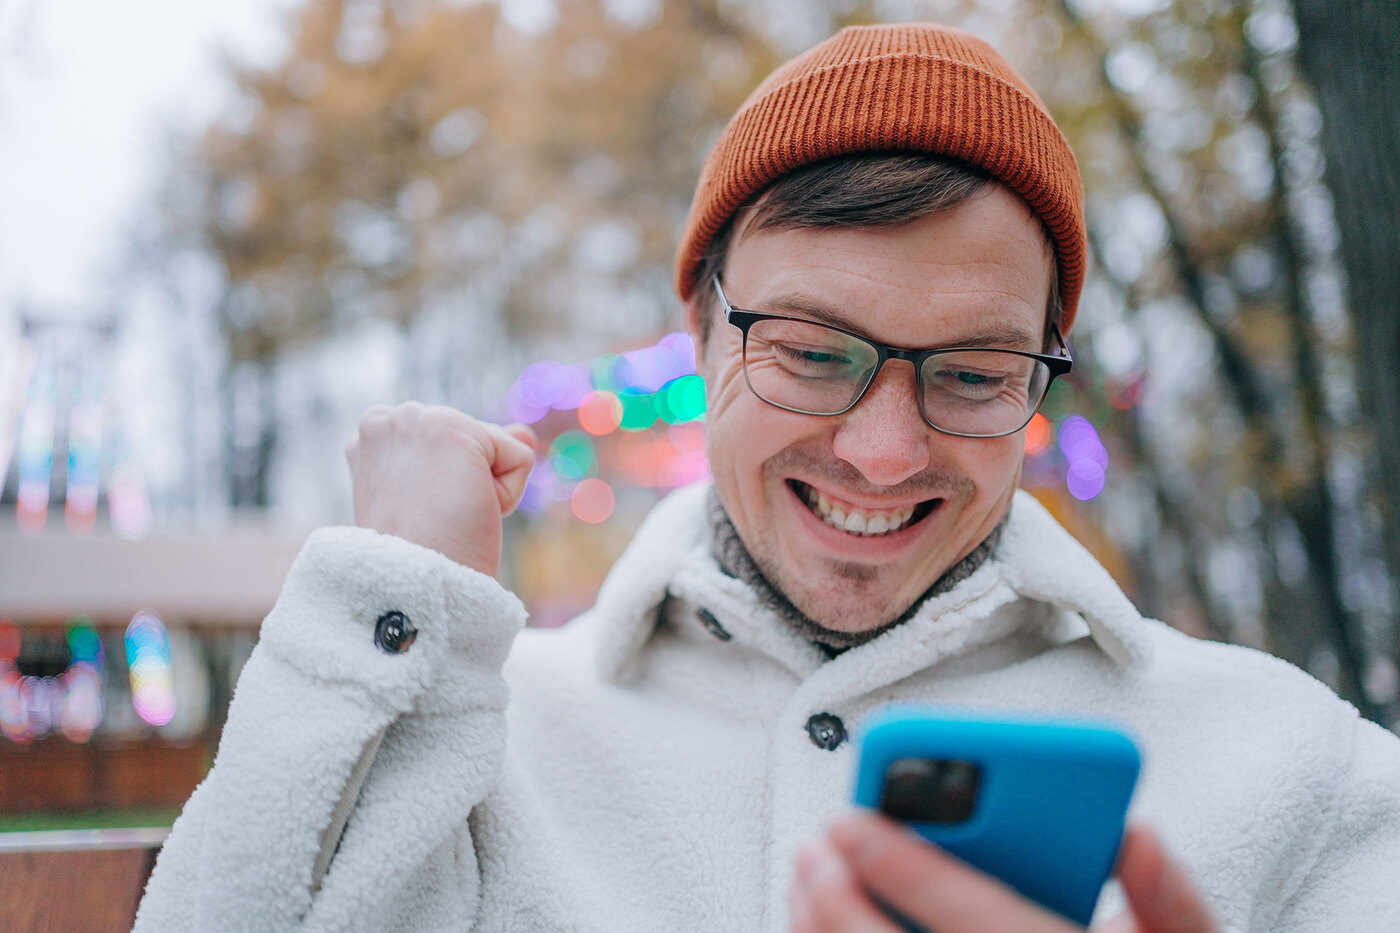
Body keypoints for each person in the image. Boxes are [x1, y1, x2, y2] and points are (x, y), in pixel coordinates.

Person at [135, 22, 1400, 933]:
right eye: (812, 353)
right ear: (700, 330)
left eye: (969, 375)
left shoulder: (1292, 771)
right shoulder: (472, 732)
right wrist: (390, 596)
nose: (883, 450)